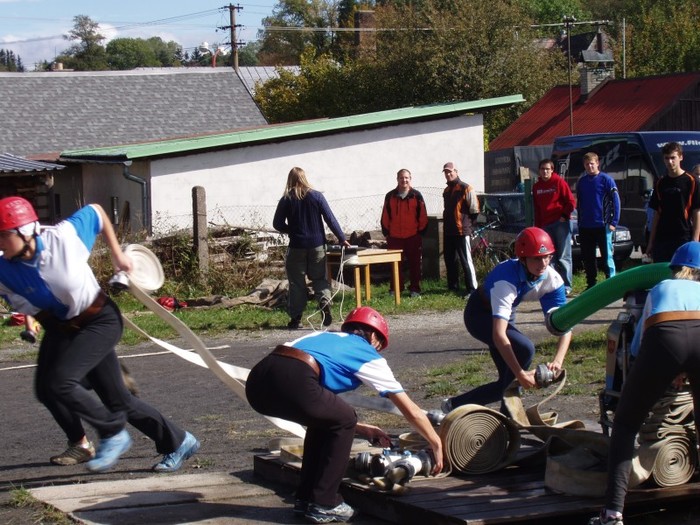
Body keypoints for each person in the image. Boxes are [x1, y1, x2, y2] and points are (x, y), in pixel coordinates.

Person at [0, 196, 199, 472]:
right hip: (62, 328)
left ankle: (112, 432)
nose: (0, 242)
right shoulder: (4, 268)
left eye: (3, 235)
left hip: (99, 321)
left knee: (60, 382)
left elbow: (96, 211)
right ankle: (178, 440)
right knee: (68, 392)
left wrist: (118, 255)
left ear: (25, 231)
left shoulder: (63, 238)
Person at [245, 306, 444, 524]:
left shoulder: (322, 336)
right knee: (346, 418)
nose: (379, 349)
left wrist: (362, 428)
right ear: (374, 336)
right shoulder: (367, 354)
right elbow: (410, 409)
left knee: (328, 422)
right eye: (380, 344)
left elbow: (320, 407)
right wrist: (435, 442)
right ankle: (325, 503)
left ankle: (306, 498)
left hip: (258, 381)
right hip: (294, 378)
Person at [589, 241, 700, 525]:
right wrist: (685, 366)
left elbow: (639, 344)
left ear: (674, 269)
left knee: (626, 425)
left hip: (665, 335)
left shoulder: (660, 288)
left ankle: (612, 514)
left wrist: (666, 366)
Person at [441, 227, 571, 414]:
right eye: (536, 258)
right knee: (525, 349)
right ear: (523, 259)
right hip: (479, 314)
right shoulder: (506, 280)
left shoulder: (552, 279)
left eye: (547, 257)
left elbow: (565, 325)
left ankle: (452, 406)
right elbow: (499, 335)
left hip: (505, 314)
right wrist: (521, 374)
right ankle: (508, 415)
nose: (543, 263)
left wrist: (558, 361)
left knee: (505, 384)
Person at [273, 167, 350, 330]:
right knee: (319, 278)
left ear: (290, 180)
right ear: (304, 178)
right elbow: (330, 218)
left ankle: (296, 318)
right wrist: (342, 238)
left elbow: (277, 223)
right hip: (317, 246)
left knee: (296, 282)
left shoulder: (286, 199)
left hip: (296, 246)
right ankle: (324, 301)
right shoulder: (317, 196)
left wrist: (291, 230)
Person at [645, 142, 700, 263]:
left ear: (681, 157)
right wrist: (651, 242)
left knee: (682, 271)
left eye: (673, 158)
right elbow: (656, 214)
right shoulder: (660, 183)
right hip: (662, 238)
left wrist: (695, 241)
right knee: (662, 270)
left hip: (683, 236)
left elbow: (697, 212)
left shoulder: (692, 181)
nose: (670, 162)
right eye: (666, 158)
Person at [380, 168, 428, 298]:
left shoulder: (416, 196)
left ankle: (415, 289)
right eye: (401, 177)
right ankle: (395, 289)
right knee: (395, 265)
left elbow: (423, 216)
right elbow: (385, 216)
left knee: (415, 264)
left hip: (413, 236)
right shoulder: (390, 196)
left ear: (410, 179)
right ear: (397, 179)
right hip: (394, 237)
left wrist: (420, 232)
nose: (404, 180)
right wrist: (387, 233)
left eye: (406, 177)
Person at [575, 152, 620, 289]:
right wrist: (579, 222)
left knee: (607, 257)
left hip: (603, 225)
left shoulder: (606, 180)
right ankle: (591, 284)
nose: (590, 166)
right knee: (588, 257)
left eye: (592, 164)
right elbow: (579, 203)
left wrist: (614, 222)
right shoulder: (582, 182)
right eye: (587, 164)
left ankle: (611, 284)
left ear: (597, 163)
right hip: (585, 226)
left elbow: (616, 201)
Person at [532, 159, 576, 294]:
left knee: (563, 256)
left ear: (552, 170)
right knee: (549, 257)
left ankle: (567, 286)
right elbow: (537, 209)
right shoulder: (537, 187)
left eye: (547, 169)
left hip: (560, 223)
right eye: (542, 169)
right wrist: (538, 227)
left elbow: (571, 201)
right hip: (545, 226)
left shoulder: (559, 182)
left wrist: (564, 215)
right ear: (539, 171)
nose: (545, 171)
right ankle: (553, 285)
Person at [442, 161, 480, 295]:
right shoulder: (446, 191)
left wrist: (470, 226)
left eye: (450, 171)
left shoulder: (466, 188)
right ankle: (453, 287)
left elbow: (474, 209)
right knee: (450, 260)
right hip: (448, 231)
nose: (448, 174)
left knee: (466, 261)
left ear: (456, 172)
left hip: (462, 231)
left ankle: (472, 289)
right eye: (446, 172)